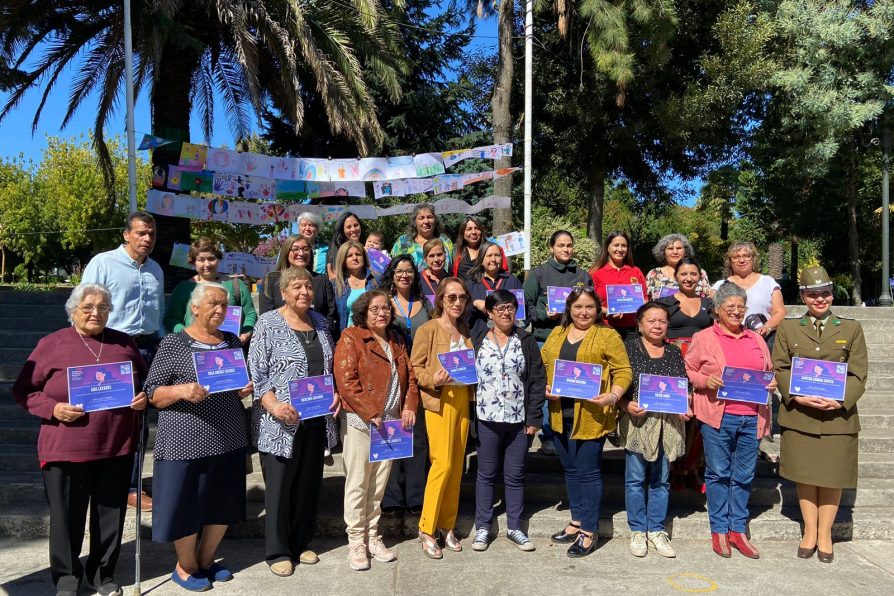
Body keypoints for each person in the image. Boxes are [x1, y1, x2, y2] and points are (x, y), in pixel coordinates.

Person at [12, 284, 148, 596]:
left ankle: (102, 575)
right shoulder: (52, 344)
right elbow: (23, 390)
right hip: (65, 449)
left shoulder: (123, 343)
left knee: (110, 517)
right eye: (88, 306)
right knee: (66, 521)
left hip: (115, 445)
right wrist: (53, 408)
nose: (95, 313)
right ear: (73, 310)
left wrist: (143, 398)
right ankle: (67, 580)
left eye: (102, 307)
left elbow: (145, 383)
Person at [143, 283, 253, 591]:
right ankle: (186, 567)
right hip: (183, 440)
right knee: (185, 505)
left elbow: (234, 379)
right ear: (194, 308)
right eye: (213, 304)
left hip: (228, 436)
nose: (220, 310)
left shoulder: (230, 341)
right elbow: (152, 391)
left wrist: (243, 386)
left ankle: (206, 561)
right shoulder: (174, 344)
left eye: (224, 305)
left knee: (222, 503)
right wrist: (180, 390)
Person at [773, 266, 868, 563]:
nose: (820, 299)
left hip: (838, 416)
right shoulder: (789, 328)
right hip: (801, 414)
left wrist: (840, 402)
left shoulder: (851, 328)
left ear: (831, 295)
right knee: (805, 475)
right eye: (813, 294)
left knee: (831, 476)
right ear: (803, 296)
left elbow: (858, 372)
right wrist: (797, 395)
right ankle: (809, 531)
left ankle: (825, 533)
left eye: (825, 293)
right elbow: (780, 367)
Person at [249, 267, 338, 577]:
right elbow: (257, 372)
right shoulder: (268, 323)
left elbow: (329, 366)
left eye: (308, 287)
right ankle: (278, 550)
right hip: (280, 423)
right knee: (280, 486)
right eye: (297, 287)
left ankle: (301, 542)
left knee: (307, 484)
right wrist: (273, 404)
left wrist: (334, 393)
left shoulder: (321, 322)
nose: (304, 292)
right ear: (283, 293)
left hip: (315, 417)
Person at [685, 281, 776, 560]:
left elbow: (769, 371)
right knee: (718, 473)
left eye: (741, 307)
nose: (736, 312)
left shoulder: (756, 339)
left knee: (744, 475)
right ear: (717, 310)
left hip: (752, 417)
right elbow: (688, 370)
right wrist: (704, 380)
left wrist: (771, 383)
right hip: (718, 416)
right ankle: (719, 530)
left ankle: (738, 529)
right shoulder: (703, 338)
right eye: (730, 307)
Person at [541, 287, 633, 558]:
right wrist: (547, 386)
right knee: (570, 469)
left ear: (598, 310)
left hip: (591, 415)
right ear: (569, 308)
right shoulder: (557, 334)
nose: (584, 312)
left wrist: (614, 395)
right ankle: (577, 520)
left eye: (590, 307)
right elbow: (545, 362)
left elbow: (623, 371)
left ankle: (589, 531)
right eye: (578, 307)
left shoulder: (607, 335)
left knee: (588, 471)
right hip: (560, 413)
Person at [81, 211, 164, 511]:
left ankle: (132, 486)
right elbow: (83, 306)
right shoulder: (103, 263)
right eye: (141, 233)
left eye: (152, 234)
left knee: (139, 419)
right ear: (126, 234)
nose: (147, 239)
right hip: (112, 347)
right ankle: (105, 481)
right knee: (109, 418)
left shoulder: (155, 269)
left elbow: (159, 314)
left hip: (148, 348)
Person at [334, 290, 420, 570]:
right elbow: (347, 381)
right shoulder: (351, 337)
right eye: (375, 309)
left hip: (392, 425)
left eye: (385, 308)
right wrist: (370, 413)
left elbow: (411, 378)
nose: (381, 313)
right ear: (363, 312)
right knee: (358, 483)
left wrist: (409, 406)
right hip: (362, 423)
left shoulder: (395, 340)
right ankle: (356, 541)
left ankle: (373, 535)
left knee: (379, 485)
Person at [470, 290, 545, 552]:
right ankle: (483, 527)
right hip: (486, 419)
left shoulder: (525, 340)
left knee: (515, 475)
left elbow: (537, 379)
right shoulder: (477, 339)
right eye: (500, 308)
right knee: (486, 474)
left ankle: (515, 527)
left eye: (511, 307)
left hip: (517, 420)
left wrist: (534, 418)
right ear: (489, 313)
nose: (506, 312)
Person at [618, 302, 689, 559]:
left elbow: (682, 387)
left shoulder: (674, 352)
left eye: (662, 321)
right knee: (635, 479)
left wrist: (684, 406)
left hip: (668, 424)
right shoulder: (628, 349)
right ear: (639, 324)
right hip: (638, 424)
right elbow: (617, 385)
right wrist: (625, 404)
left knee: (661, 479)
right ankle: (637, 529)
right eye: (651, 320)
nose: (657, 325)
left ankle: (656, 529)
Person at [411, 277, 474, 559]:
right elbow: (414, 368)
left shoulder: (465, 331)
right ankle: (427, 527)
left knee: (457, 465)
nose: (457, 302)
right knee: (442, 464)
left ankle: (447, 525)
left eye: (462, 297)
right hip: (439, 402)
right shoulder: (428, 329)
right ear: (440, 300)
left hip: (462, 402)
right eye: (451, 297)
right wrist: (432, 379)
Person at [522, 230, 592, 457]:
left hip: (577, 339)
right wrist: (545, 314)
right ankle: (548, 436)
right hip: (546, 339)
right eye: (561, 245)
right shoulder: (538, 274)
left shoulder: (582, 275)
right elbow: (526, 307)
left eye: (569, 245)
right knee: (548, 389)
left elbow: (591, 305)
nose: (566, 249)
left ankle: (573, 432)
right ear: (552, 247)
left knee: (575, 386)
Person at [379, 256, 433, 516]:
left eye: (409, 271)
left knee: (417, 437)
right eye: (399, 271)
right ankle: (390, 495)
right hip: (390, 377)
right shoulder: (384, 304)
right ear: (392, 274)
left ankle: (415, 495)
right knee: (390, 434)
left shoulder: (426, 305)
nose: (404, 275)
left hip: (419, 379)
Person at [657, 257, 714, 491]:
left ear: (700, 277)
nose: (689, 278)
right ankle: (672, 469)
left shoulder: (709, 304)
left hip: (702, 364)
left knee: (699, 417)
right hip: (672, 361)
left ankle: (692, 468)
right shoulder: (664, 303)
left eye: (693, 274)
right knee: (675, 414)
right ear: (676, 277)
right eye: (684, 274)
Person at [164, 237, 257, 345]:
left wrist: (246, 333)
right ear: (193, 262)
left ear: (219, 259)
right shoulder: (184, 288)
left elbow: (250, 313)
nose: (207, 264)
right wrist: (186, 335)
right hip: (193, 347)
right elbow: (171, 319)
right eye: (201, 260)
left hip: (229, 346)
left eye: (211, 258)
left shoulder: (236, 285)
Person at [260, 234, 338, 338]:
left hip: (317, 340)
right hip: (282, 342)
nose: (301, 253)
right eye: (295, 249)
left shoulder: (322, 280)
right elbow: (266, 317)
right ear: (286, 252)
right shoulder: (271, 280)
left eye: (306, 249)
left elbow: (331, 315)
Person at [712, 242, 785, 351]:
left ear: (753, 259)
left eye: (746, 256)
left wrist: (767, 327)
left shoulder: (768, 282)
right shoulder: (719, 286)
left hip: (762, 341)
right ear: (730, 261)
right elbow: (714, 314)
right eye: (736, 257)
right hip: (729, 341)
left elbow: (780, 312)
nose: (742, 260)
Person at [591, 230, 647, 341]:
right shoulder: (595, 272)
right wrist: (608, 311)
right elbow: (589, 302)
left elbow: (645, 299)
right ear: (608, 247)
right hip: (604, 328)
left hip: (632, 330)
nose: (620, 249)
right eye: (616, 245)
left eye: (624, 246)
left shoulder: (635, 271)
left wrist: (637, 306)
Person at [467, 242, 524, 337]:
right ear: (481, 260)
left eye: (497, 255)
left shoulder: (513, 281)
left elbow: (523, 311)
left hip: (509, 337)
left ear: (501, 259)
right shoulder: (471, 284)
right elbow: (463, 316)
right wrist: (474, 304)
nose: (493, 259)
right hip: (480, 338)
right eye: (489, 255)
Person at [645, 234, 712, 300]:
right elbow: (646, 299)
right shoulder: (654, 274)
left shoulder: (700, 273)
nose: (675, 252)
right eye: (670, 248)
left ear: (685, 252)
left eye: (679, 248)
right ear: (663, 253)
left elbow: (707, 298)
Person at [391, 204, 455, 271]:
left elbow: (453, 268)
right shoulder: (403, 242)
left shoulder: (445, 241)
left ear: (435, 220)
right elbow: (392, 267)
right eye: (421, 218)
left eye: (430, 217)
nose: (426, 221)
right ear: (415, 222)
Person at [331, 240, 377, 331]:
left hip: (373, 336)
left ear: (364, 257)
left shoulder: (376, 281)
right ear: (343, 260)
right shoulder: (335, 285)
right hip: (347, 337)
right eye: (349, 255)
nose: (355, 258)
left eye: (358, 254)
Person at [327, 211, 366, 279]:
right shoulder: (335, 248)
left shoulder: (367, 244)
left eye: (356, 225)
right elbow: (332, 275)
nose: (353, 229)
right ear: (343, 231)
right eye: (348, 227)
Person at [296, 212, 328, 276]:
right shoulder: (289, 248)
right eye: (304, 225)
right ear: (298, 228)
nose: (307, 229)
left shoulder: (327, 250)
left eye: (311, 225)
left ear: (317, 229)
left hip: (320, 284)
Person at [419, 238, 449, 304]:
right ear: (425, 259)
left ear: (445, 255)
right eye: (431, 256)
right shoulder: (417, 280)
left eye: (439, 254)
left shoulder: (451, 279)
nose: (436, 260)